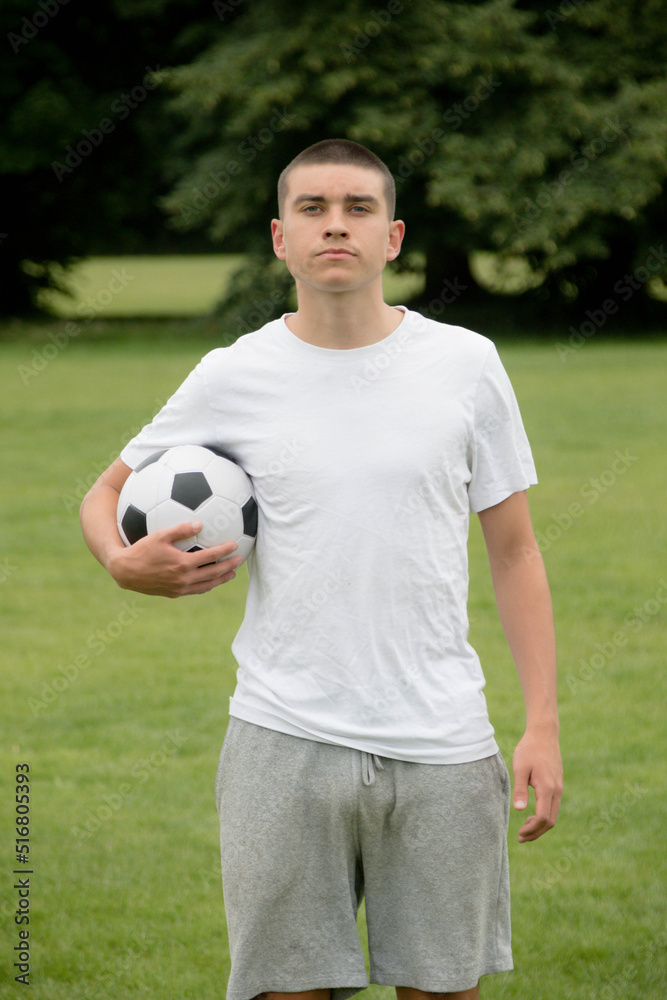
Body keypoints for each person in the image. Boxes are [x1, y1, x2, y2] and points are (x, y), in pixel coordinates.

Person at [80, 138, 562, 1000]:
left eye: (357, 208)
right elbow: (105, 492)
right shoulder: (234, 374)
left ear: (392, 236)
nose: (334, 225)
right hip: (281, 735)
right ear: (279, 237)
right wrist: (122, 564)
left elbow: (515, 550)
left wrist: (542, 724)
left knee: (443, 991)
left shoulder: (465, 364)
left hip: (443, 742)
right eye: (312, 209)